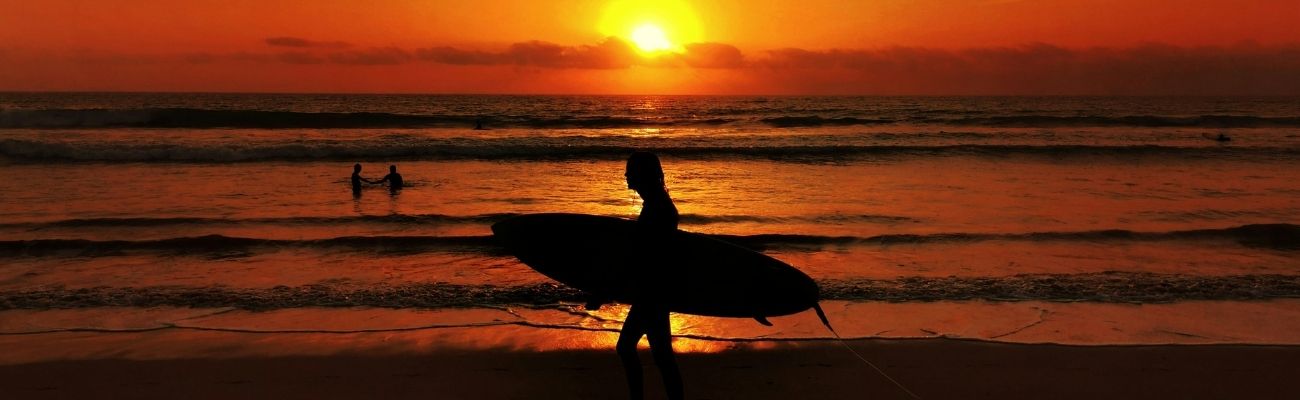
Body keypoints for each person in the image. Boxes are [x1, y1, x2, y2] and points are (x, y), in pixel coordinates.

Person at [616, 151, 683, 400]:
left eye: (630, 171)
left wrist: (607, 289)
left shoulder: (658, 208)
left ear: (643, 175)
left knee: (626, 348)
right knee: (662, 356)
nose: (626, 176)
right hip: (656, 290)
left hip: (652, 292)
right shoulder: (657, 203)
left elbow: (645, 257)